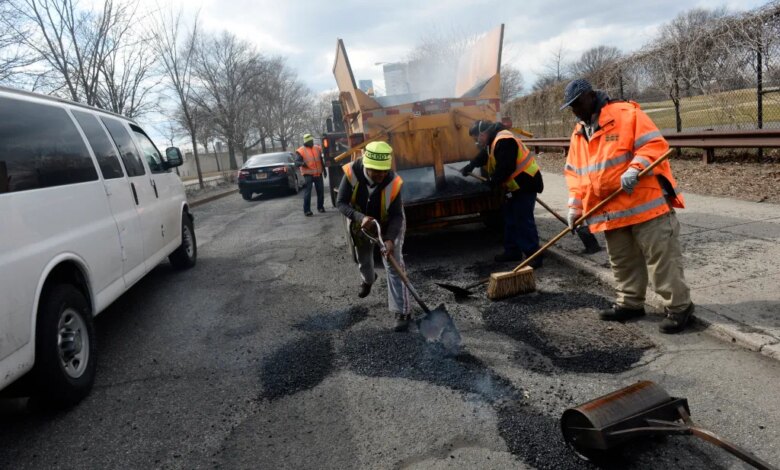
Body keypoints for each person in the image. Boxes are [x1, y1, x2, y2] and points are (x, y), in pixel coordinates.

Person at [560, 78, 694, 334]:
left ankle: (679, 308)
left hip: (646, 205)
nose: (574, 110)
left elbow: (654, 145)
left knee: (661, 259)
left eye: (577, 104)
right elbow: (576, 175)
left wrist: (635, 168)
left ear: (591, 96)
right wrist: (575, 208)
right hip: (612, 211)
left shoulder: (625, 114)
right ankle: (630, 303)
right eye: (571, 106)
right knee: (623, 261)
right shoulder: (579, 133)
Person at [336, 141, 411, 332]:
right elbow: (341, 202)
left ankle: (402, 311)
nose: (380, 175)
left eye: (383, 171)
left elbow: (397, 215)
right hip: (361, 220)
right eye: (375, 171)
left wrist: (390, 239)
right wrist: (359, 217)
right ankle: (368, 280)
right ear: (365, 165)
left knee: (394, 263)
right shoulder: (351, 173)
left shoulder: (393, 182)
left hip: (389, 222)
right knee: (363, 258)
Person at [460, 120, 544, 266]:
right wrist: (471, 165)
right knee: (510, 220)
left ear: (483, 133)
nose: (477, 142)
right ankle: (513, 252)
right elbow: (485, 156)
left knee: (523, 221)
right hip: (514, 187)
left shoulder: (504, 140)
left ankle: (534, 256)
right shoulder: (493, 141)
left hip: (526, 184)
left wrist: (492, 182)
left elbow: (506, 167)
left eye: (476, 139)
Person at [295, 133, 327, 216]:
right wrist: (302, 163)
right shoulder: (301, 150)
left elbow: (320, 160)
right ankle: (307, 211)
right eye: (310, 142)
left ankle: (320, 207)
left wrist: (324, 170)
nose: (312, 143)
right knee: (308, 193)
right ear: (306, 142)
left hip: (318, 174)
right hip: (308, 175)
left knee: (320, 191)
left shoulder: (317, 148)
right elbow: (296, 162)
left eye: (312, 141)